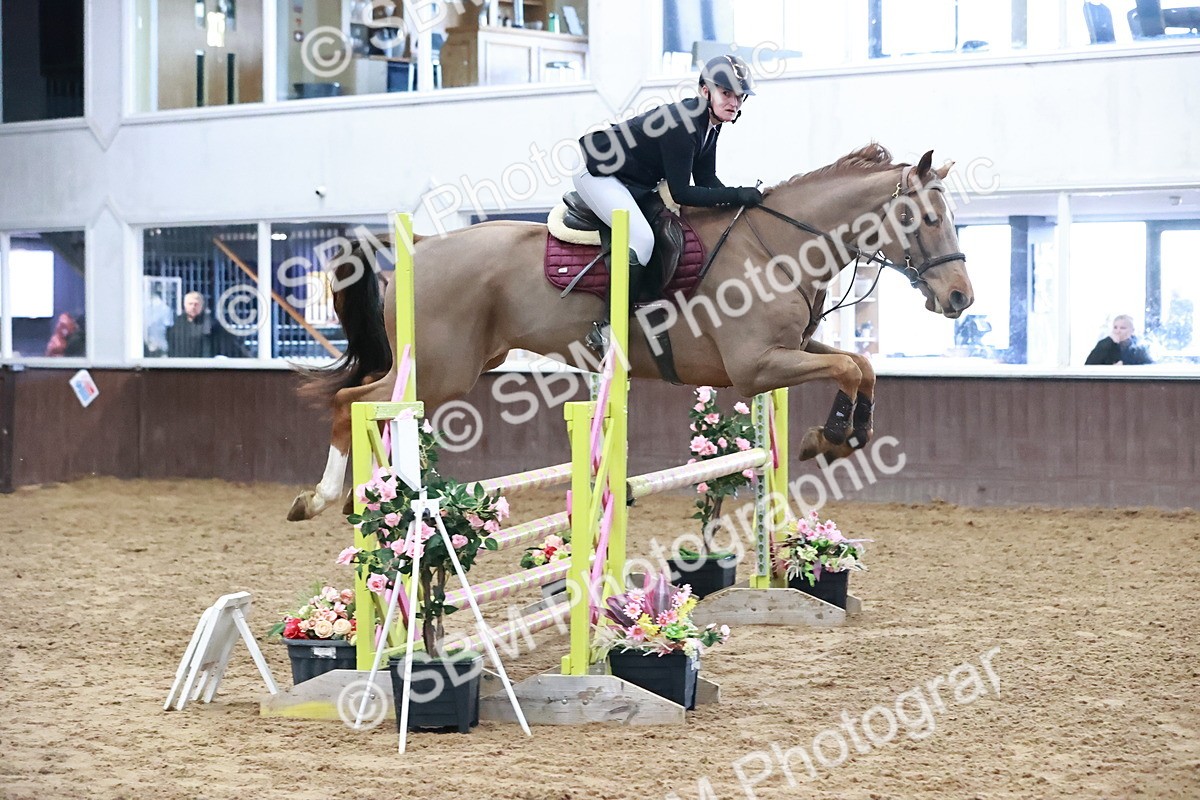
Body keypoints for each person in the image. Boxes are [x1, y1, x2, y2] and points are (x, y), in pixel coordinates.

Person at [575, 54, 764, 345]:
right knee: (642, 239)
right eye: (726, 93)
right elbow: (682, 193)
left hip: (633, 183)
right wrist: (737, 193)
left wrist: (740, 203)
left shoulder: (710, 124)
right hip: (599, 175)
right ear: (705, 91)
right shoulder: (682, 124)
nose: (734, 102)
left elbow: (707, 179)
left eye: (739, 96)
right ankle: (606, 329)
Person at [167, 291, 249, 358]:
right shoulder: (177, 324)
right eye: (190, 304)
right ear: (184, 305)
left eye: (196, 304)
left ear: (201, 305)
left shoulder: (211, 324)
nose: (193, 307)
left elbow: (229, 344)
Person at [1085, 314, 1153, 365]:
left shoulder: (1139, 348)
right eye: (1115, 327)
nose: (1118, 331)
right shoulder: (1104, 345)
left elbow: (1149, 368)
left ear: (1132, 331)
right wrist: (1113, 344)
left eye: (1122, 328)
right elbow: (1089, 366)